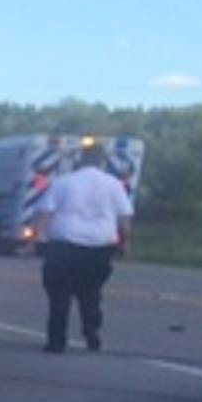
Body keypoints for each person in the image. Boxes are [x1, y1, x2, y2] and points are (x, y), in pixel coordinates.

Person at [33, 144, 132, 353]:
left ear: (79, 161)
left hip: (64, 246)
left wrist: (36, 240)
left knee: (59, 295)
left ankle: (57, 341)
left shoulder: (62, 182)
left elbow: (45, 213)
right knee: (91, 293)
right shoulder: (114, 185)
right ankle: (91, 332)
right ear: (102, 162)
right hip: (100, 246)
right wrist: (126, 243)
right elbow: (124, 217)